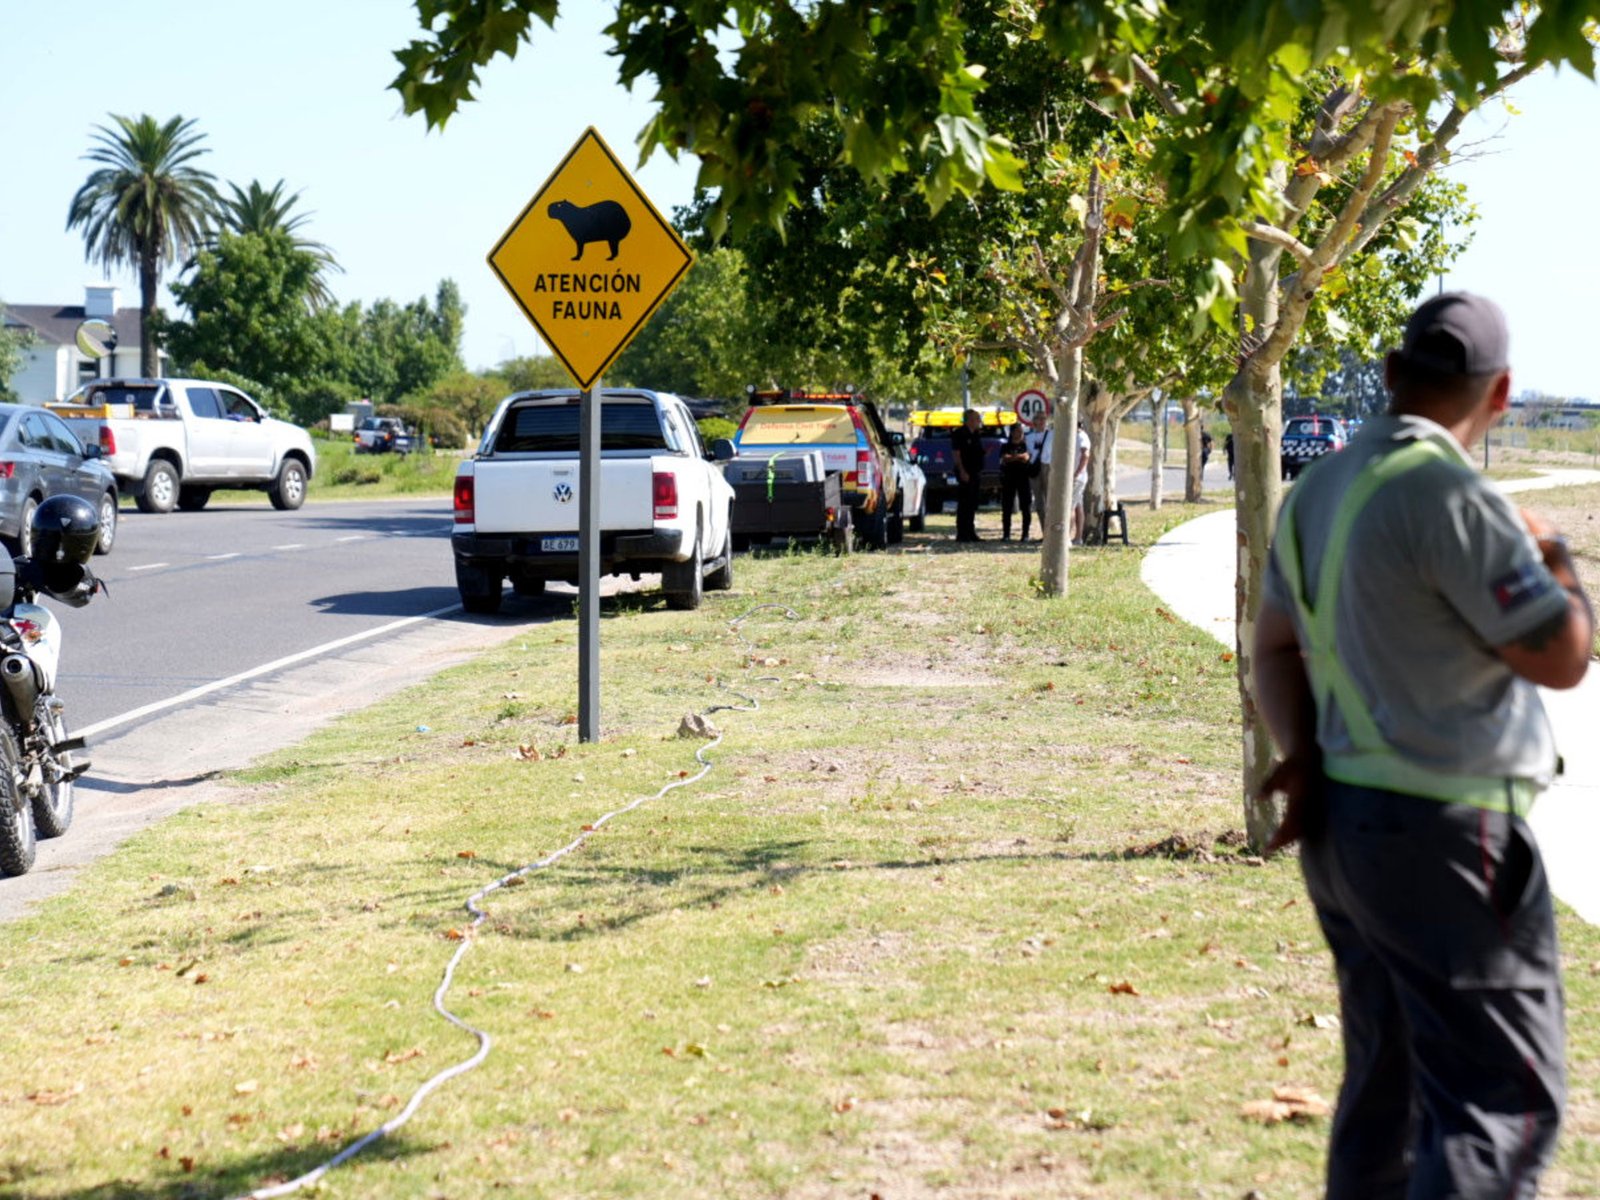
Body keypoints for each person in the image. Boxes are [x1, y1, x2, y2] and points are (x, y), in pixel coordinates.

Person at [1253, 292, 1592, 1200]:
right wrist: (1558, 558)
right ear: (1503, 393)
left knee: (1388, 1092)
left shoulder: (1317, 487)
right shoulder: (1454, 497)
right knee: (1497, 1103)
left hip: (1344, 831)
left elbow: (1274, 650)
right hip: (1449, 835)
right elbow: (1560, 656)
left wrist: (1306, 758)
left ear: (1394, 373)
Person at [950, 408, 986, 542]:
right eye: (977, 418)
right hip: (965, 471)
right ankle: (962, 533)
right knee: (964, 503)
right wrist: (962, 471)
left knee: (972, 503)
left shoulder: (976, 434)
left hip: (975, 471)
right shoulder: (959, 433)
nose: (979, 421)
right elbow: (956, 454)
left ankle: (971, 532)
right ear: (969, 420)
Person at [997, 421, 1033, 541]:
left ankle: (1025, 534)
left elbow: (1026, 457)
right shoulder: (1005, 446)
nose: (1019, 434)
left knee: (1026, 507)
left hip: (1024, 478)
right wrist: (1019, 457)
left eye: (1021, 431)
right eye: (1017, 431)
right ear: (1012, 433)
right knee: (1007, 507)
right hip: (1008, 479)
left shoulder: (1027, 445)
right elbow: (1004, 458)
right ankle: (1006, 534)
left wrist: (1013, 457)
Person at [1025, 413, 1052, 538]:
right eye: (1038, 419)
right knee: (1039, 503)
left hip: (1047, 467)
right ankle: (1045, 533)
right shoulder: (1028, 437)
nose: (1041, 421)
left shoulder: (1052, 434)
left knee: (1049, 500)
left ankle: (1052, 532)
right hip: (1034, 469)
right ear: (1033, 422)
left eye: (1043, 419)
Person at [1070, 422, 1090, 545]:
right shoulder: (1074, 435)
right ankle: (1078, 538)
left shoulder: (1081, 436)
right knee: (1077, 505)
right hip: (1076, 477)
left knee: (1070, 506)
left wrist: (1076, 473)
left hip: (1077, 478)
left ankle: (1066, 537)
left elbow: (1086, 454)